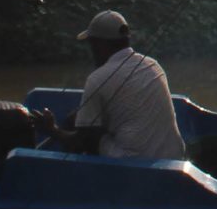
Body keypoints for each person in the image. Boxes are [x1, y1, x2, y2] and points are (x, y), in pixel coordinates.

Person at [60, 10, 184, 160]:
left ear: (100, 44)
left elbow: (82, 141)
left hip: (134, 164)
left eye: (92, 44)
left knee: (91, 138)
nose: (91, 50)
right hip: (174, 157)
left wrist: (51, 130)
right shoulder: (153, 64)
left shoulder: (97, 79)